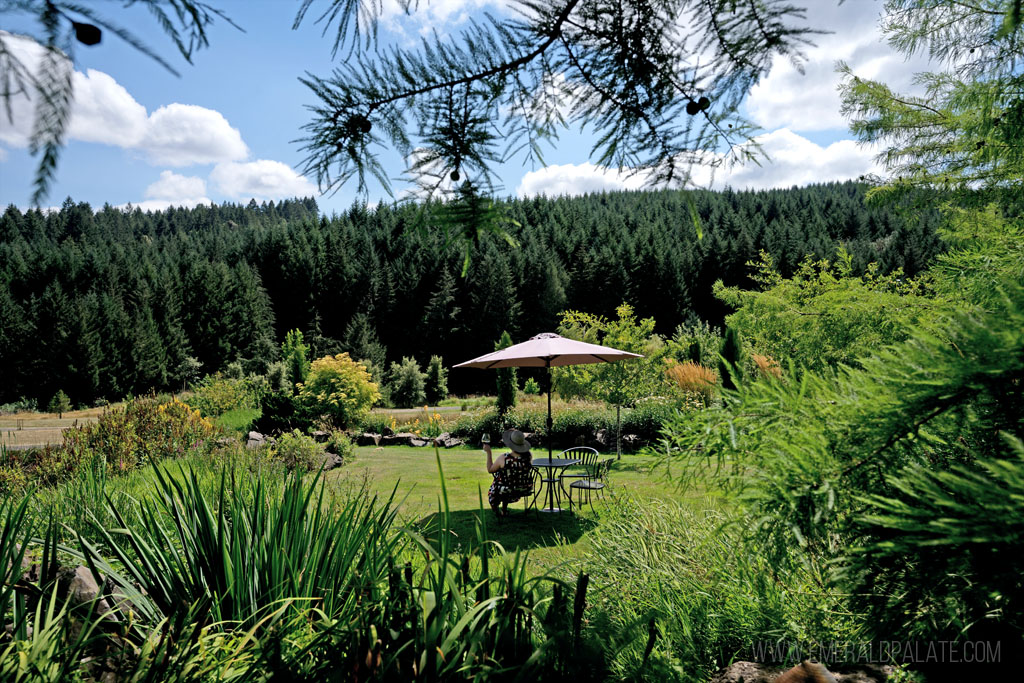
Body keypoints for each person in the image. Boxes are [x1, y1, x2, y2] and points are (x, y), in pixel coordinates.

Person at [483, 429, 534, 517]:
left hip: (506, 489)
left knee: (498, 484)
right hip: (524, 488)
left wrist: (489, 452)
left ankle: (496, 510)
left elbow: (490, 470)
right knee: (507, 480)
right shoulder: (528, 457)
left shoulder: (504, 458)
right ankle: (504, 510)